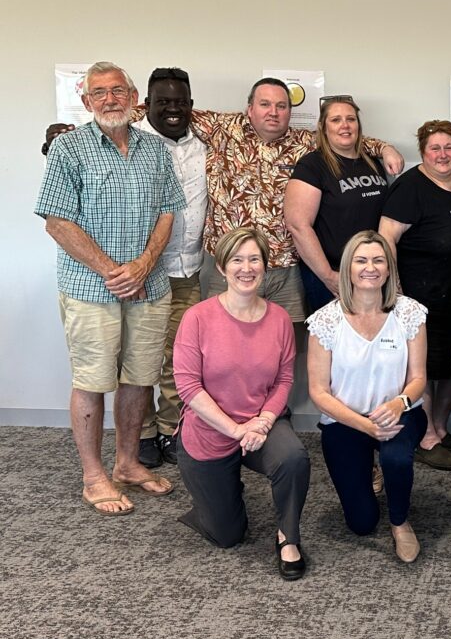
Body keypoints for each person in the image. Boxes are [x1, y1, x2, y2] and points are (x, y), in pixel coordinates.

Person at [35, 61, 185, 516]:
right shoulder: (69, 149)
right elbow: (58, 222)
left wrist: (142, 266)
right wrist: (111, 270)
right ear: (86, 102)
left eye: (118, 90)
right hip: (90, 288)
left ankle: (125, 464)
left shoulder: (155, 150)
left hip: (148, 285)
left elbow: (168, 211)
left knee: (139, 378)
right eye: (98, 92)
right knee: (92, 382)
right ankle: (93, 476)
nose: (109, 99)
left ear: (134, 97)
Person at [191, 79, 405, 321]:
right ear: (250, 108)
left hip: (286, 269)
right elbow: (169, 109)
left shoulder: (303, 141)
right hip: (232, 266)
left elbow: (344, 138)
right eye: (265, 104)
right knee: (223, 340)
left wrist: (385, 147)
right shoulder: (222, 128)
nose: (274, 112)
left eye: (281, 106)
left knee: (285, 343)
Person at [173, 227, 310, 580]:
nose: (246, 268)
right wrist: (235, 429)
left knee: (293, 457)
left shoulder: (279, 318)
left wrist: (263, 421)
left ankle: (288, 536)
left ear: (265, 265)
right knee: (227, 535)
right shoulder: (197, 318)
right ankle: (214, 495)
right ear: (221, 267)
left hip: (261, 424)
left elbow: (283, 380)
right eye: (237, 259)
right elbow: (188, 386)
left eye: (254, 259)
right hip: (209, 431)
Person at [306, 231, 428, 563]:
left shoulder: (410, 313)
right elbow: (318, 391)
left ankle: (400, 522)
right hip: (345, 421)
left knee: (396, 458)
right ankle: (369, 471)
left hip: (398, 413)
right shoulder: (325, 321)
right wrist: (364, 425)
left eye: (378, 260)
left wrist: (398, 403)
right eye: (361, 260)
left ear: (389, 269)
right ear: (348, 269)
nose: (369, 268)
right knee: (361, 523)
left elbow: (418, 379)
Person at [379, 120, 451, 471]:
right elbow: (386, 237)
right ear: (423, 151)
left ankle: (440, 426)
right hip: (420, 296)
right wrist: (396, 293)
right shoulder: (410, 188)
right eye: (434, 148)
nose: (442, 154)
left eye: (449, 147)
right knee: (422, 368)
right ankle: (426, 438)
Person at [284, 96, 389, 313]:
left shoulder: (372, 163)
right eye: (336, 120)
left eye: (351, 119)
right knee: (335, 342)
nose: (345, 125)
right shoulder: (312, 165)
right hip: (332, 274)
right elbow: (298, 225)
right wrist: (328, 276)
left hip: (370, 271)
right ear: (323, 127)